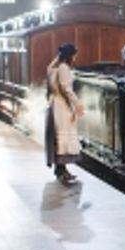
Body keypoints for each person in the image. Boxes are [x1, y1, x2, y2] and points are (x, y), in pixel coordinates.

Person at [45, 43, 85, 185]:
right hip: (62, 107)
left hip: (55, 105)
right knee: (63, 138)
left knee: (57, 139)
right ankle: (61, 170)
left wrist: (59, 56)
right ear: (70, 56)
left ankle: (61, 170)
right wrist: (78, 104)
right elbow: (67, 89)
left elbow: (49, 68)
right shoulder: (64, 69)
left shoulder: (53, 68)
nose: (75, 57)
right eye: (74, 54)